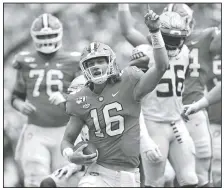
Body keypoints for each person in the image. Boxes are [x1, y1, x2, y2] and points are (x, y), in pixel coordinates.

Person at [61, 9, 169, 187]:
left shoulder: (129, 81)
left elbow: (161, 67)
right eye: (90, 63)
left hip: (130, 176)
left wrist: (155, 32)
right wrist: (70, 154)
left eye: (100, 61)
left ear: (110, 62)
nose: (95, 66)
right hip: (98, 173)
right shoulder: (79, 98)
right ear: (84, 68)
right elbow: (67, 139)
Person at [118, 4, 221, 187]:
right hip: (152, 122)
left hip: (176, 119)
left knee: (191, 179)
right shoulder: (144, 54)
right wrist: (144, 139)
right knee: (157, 180)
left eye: (178, 39)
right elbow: (132, 100)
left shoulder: (186, 52)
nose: (174, 44)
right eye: (169, 38)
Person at [11, 13, 81, 187]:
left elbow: (84, 96)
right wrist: (20, 105)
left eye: (50, 35)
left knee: (66, 178)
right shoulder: (24, 61)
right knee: (35, 176)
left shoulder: (74, 60)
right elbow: (15, 96)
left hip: (67, 130)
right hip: (36, 129)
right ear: (35, 37)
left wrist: (65, 98)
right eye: (43, 36)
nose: (47, 40)